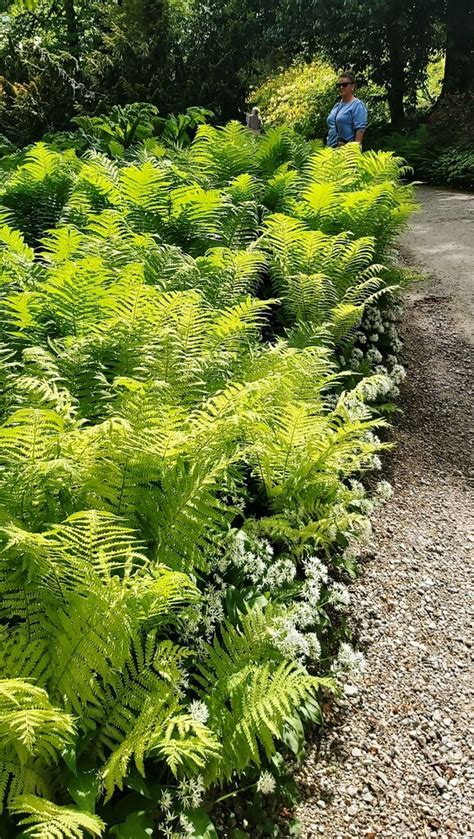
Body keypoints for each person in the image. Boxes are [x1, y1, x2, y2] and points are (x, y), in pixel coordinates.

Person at [326, 74, 367, 149]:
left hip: (346, 151)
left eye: (345, 85)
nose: (341, 87)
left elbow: (360, 130)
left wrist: (355, 151)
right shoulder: (337, 106)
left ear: (352, 87)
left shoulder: (357, 105)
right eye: (338, 85)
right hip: (330, 150)